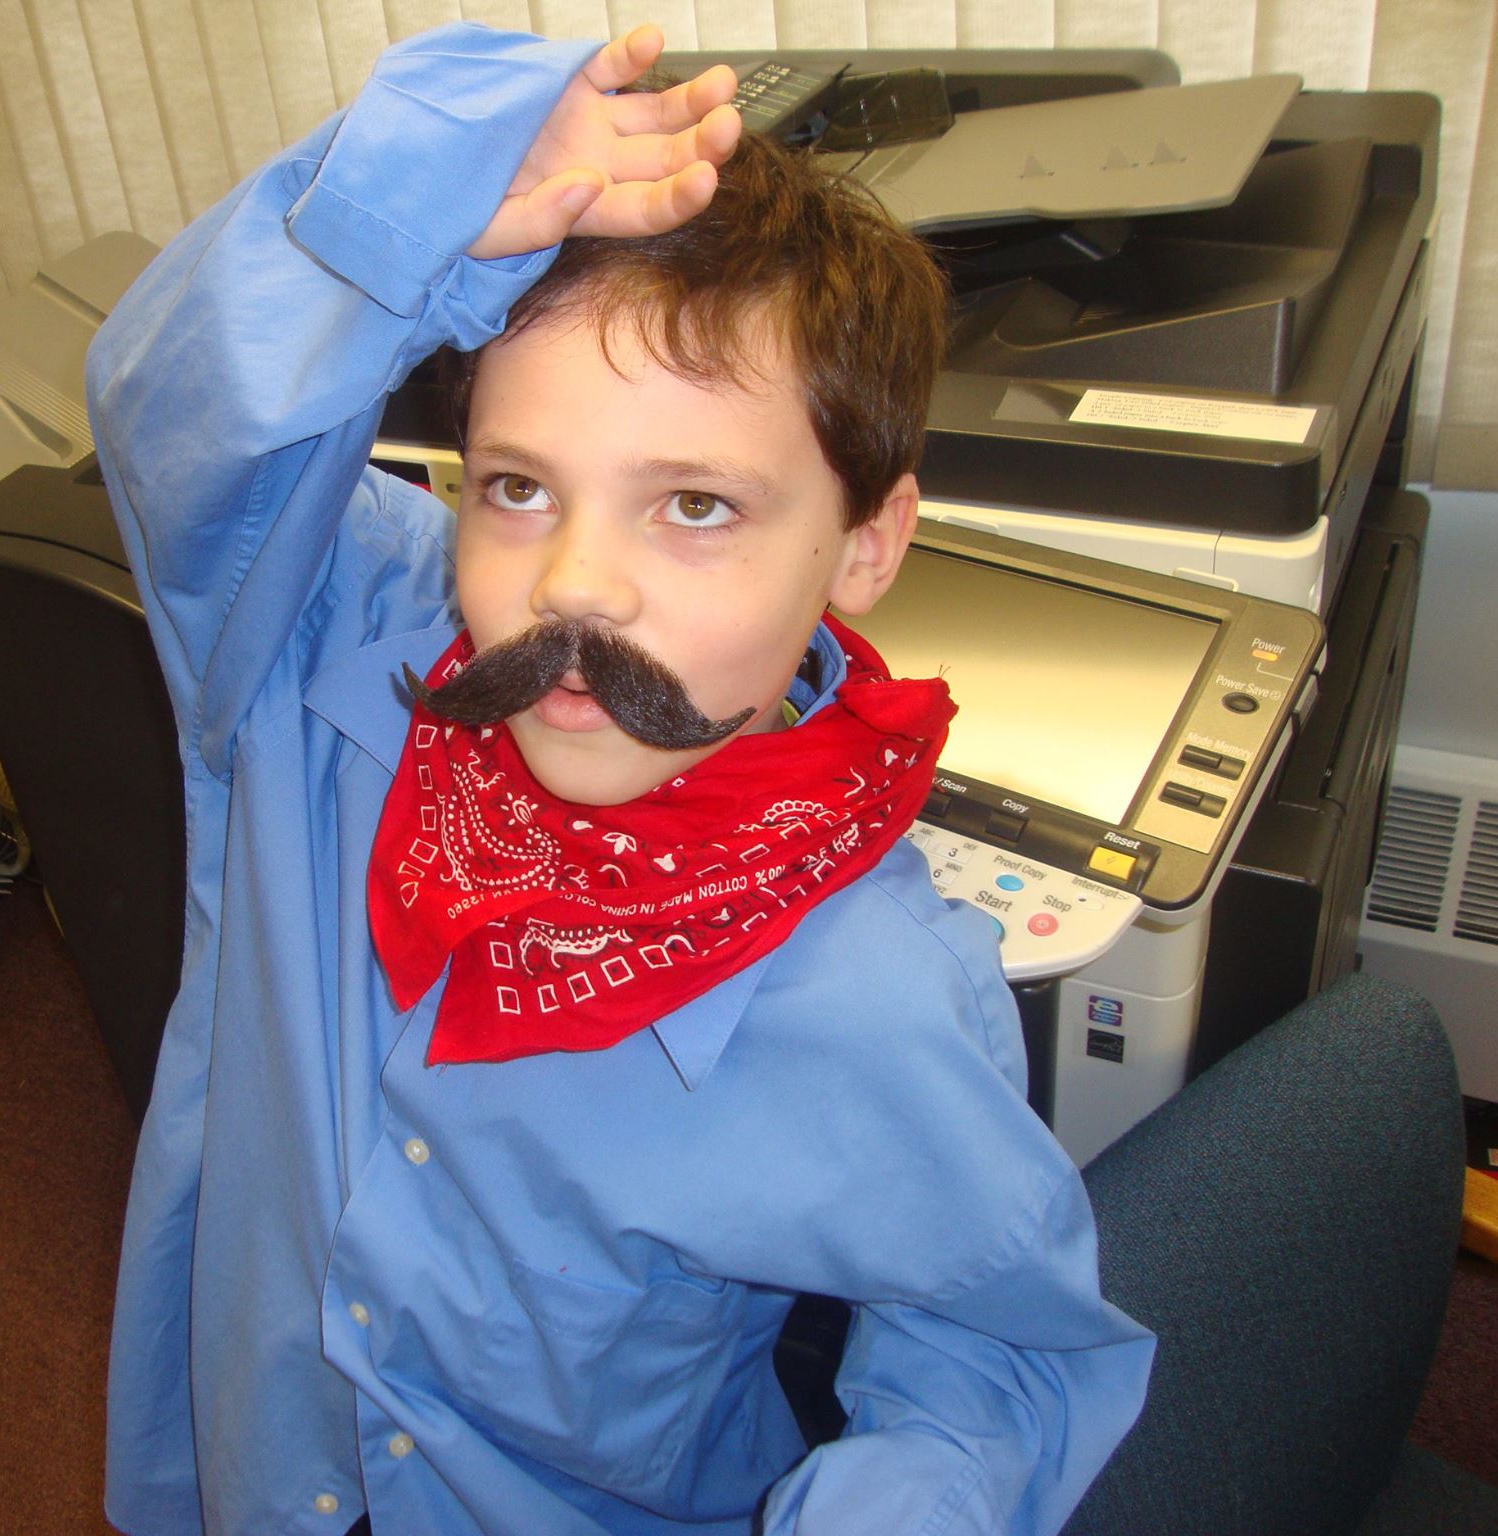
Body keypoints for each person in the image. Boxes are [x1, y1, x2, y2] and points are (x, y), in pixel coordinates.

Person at [85, 20, 1154, 1536]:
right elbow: (175, 417)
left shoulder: (882, 1001)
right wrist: (425, 183)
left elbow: (995, 1366)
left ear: (865, 544)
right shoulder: (332, 648)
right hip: (261, 1461)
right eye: (518, 488)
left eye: (696, 505)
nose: (572, 587)